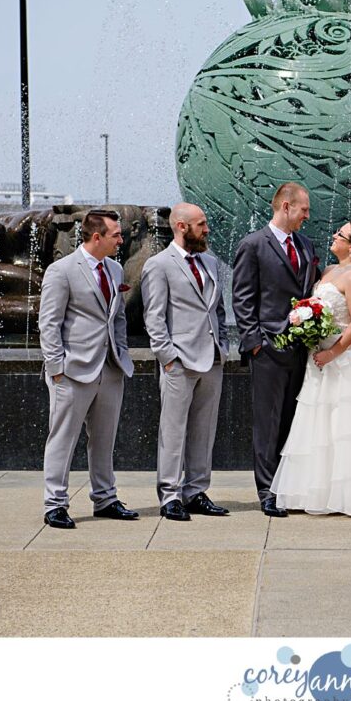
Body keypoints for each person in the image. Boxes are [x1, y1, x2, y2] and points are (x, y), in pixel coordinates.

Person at [270, 221, 351, 518]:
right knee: (319, 423)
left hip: (345, 360)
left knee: (346, 425)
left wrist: (333, 351)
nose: (333, 236)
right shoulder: (329, 271)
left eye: (339, 235)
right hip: (319, 358)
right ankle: (317, 491)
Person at [38, 208, 139, 529]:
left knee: (104, 439)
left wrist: (121, 355)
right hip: (72, 371)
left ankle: (105, 499)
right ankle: (55, 504)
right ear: (96, 237)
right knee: (62, 439)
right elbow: (49, 324)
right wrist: (56, 368)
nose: (121, 240)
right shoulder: (61, 270)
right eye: (116, 235)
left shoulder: (115, 269)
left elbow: (117, 317)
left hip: (110, 369)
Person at [232, 182, 322, 517]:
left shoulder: (306, 244)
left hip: (300, 349)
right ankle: (267, 490)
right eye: (304, 209)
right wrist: (255, 343)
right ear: (285, 206)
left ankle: (288, 486)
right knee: (267, 424)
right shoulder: (253, 245)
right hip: (268, 349)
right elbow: (243, 298)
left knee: (291, 420)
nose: (307, 216)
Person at [141, 203, 230, 522]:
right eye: (201, 224)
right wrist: (167, 358)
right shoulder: (158, 265)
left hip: (212, 358)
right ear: (181, 226)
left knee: (204, 430)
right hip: (178, 361)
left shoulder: (210, 261)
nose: (206, 229)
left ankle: (196, 491)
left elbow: (217, 309)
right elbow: (154, 317)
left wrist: (223, 345)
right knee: (173, 430)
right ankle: (169, 495)